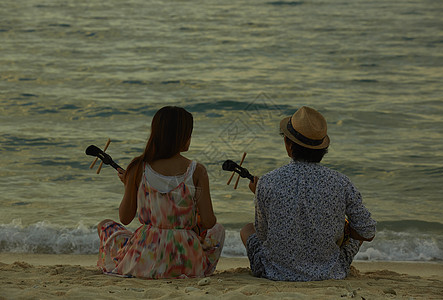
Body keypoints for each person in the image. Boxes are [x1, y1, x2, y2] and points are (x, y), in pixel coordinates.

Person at [240, 106, 376, 282]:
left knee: (247, 230)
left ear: (288, 145)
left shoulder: (267, 182)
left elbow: (263, 235)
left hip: (274, 272)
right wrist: (347, 231)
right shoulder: (342, 182)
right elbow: (368, 232)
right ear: (322, 149)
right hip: (329, 272)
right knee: (354, 234)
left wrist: (260, 194)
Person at [97, 106, 225, 279]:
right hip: (186, 259)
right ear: (181, 136)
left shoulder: (137, 167)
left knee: (105, 225)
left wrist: (129, 184)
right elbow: (209, 221)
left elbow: (125, 217)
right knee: (218, 229)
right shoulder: (197, 171)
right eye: (189, 133)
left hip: (145, 256)